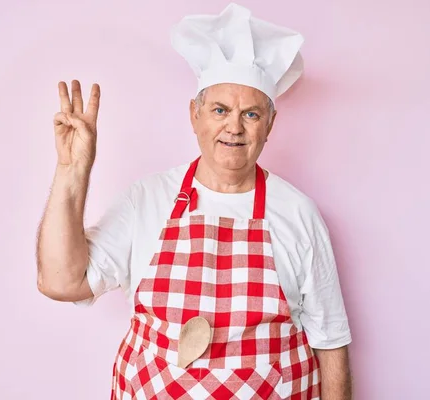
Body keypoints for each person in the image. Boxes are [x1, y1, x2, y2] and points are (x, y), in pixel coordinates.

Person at [36, 3, 352, 399]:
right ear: (195, 114)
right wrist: (72, 170)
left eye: (251, 114)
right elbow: (61, 282)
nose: (233, 127)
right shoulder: (147, 199)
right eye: (220, 110)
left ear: (270, 125)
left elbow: (331, 340)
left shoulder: (298, 213)